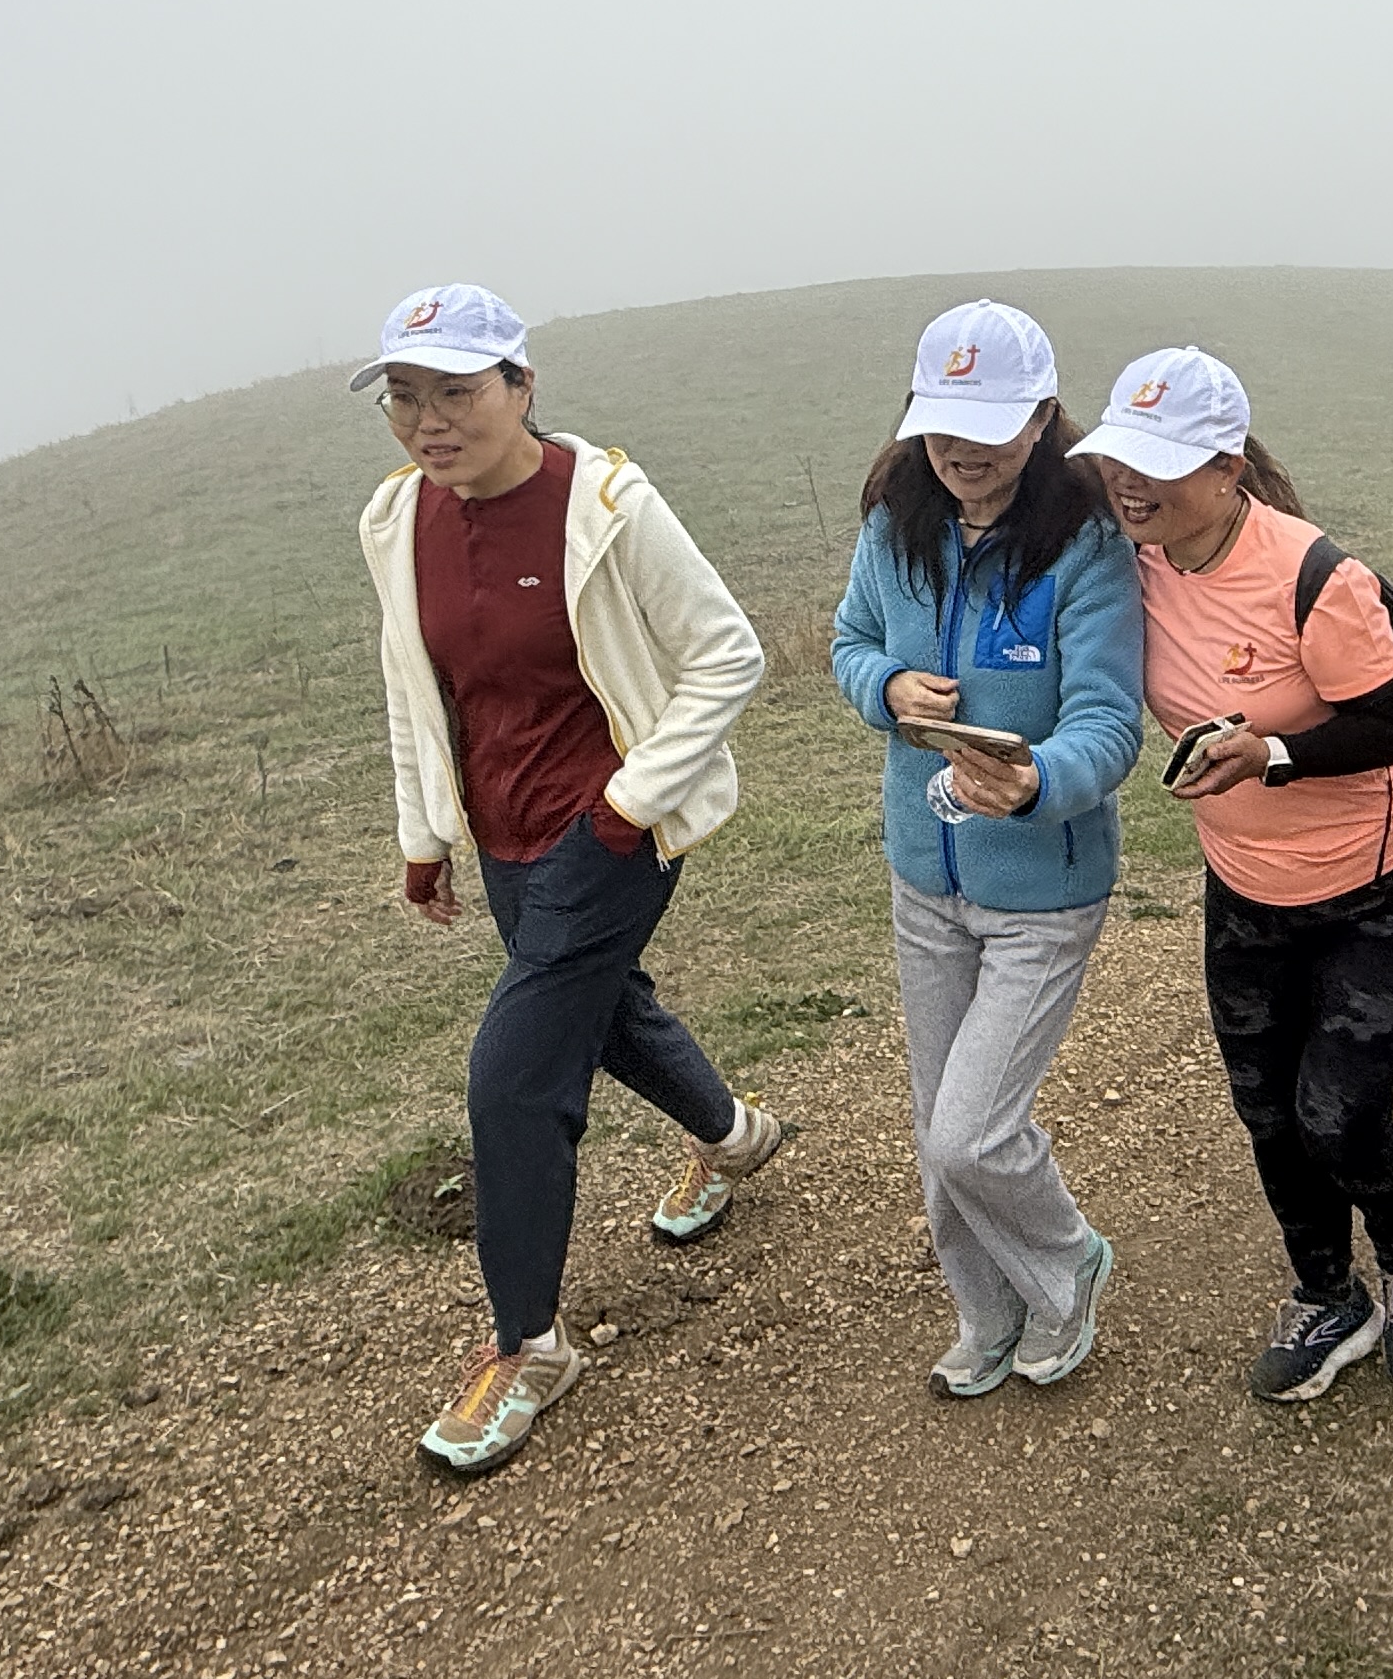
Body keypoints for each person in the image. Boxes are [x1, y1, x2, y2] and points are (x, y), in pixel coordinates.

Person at [356, 283, 787, 1479]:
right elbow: (416, 690)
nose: (429, 421)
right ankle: (733, 1134)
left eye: (457, 391)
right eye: (404, 396)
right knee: (602, 1013)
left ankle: (528, 1346)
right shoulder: (397, 521)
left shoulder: (602, 503)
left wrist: (626, 803)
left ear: (521, 387)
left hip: (610, 836)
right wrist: (424, 832)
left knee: (513, 1073)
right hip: (499, 835)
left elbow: (727, 654)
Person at [1072, 347, 1393, 1404]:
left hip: (1372, 887)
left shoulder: (1313, 575)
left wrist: (1272, 754)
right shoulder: (1124, 563)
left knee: (1338, 1113)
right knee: (1268, 1112)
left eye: (1159, 463)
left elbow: (1392, 722)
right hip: (1244, 888)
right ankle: (1326, 1293)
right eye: (1119, 459)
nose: (1129, 483)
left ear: (1228, 466)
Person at [828, 302, 1145, 1399]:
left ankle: (1067, 1269)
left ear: (1047, 418)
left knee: (972, 1133)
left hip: (1042, 893)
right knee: (936, 1133)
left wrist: (1037, 782)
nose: (966, 450)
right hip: (925, 878)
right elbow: (849, 641)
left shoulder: (1086, 545)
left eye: (996, 426)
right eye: (945, 424)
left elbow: (1109, 724)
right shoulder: (896, 526)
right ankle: (986, 1310)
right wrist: (886, 689)